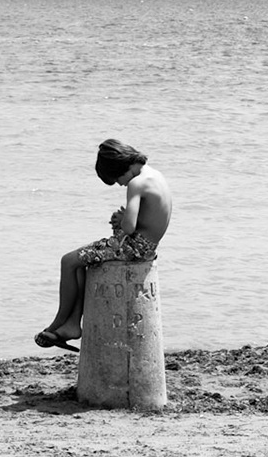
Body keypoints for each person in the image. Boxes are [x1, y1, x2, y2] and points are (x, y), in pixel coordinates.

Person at [36, 139, 172, 351]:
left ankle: (57, 324)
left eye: (117, 179)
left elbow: (128, 227)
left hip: (133, 248)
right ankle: (71, 325)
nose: (120, 184)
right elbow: (149, 218)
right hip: (147, 246)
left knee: (68, 261)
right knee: (81, 263)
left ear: (121, 168)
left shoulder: (137, 183)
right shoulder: (155, 175)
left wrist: (121, 219)